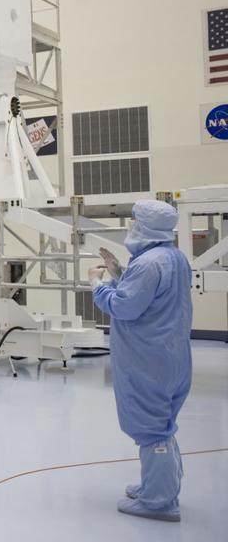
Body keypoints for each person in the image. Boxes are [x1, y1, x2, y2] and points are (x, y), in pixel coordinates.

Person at [91, 199, 192, 523]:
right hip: (171, 355)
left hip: (147, 360)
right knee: (163, 425)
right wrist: (119, 272)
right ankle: (159, 485)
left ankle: (159, 501)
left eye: (134, 220)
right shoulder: (173, 257)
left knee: (151, 430)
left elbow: (124, 307)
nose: (131, 225)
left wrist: (97, 285)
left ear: (146, 225)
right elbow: (150, 297)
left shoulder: (148, 264)